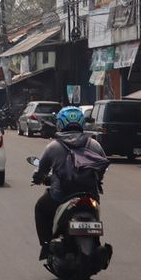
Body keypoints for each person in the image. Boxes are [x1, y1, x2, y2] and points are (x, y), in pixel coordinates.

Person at [32, 106, 107, 260]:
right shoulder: (94, 144)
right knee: (95, 215)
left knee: (40, 208)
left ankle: (46, 245)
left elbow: (42, 170)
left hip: (61, 195)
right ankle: (96, 244)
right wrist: (98, 179)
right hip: (90, 195)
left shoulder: (53, 146)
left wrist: (38, 178)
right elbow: (102, 167)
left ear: (60, 124)